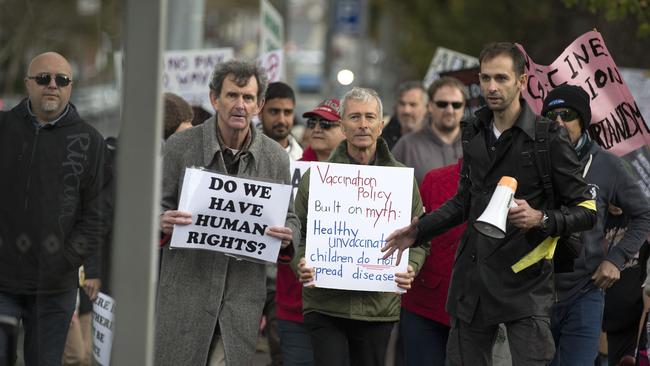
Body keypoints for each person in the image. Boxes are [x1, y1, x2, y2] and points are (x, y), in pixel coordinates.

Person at [382, 42, 597, 365]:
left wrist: (541, 218)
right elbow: (464, 201)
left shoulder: (548, 137)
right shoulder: (474, 130)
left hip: (527, 281)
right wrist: (418, 230)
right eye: (485, 78)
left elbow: (586, 210)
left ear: (521, 82)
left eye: (501, 78)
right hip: (473, 278)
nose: (491, 87)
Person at [155, 60, 300, 365]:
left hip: (240, 302)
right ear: (214, 99)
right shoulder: (180, 146)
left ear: (259, 104)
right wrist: (161, 221)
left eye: (248, 98)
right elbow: (156, 206)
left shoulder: (275, 158)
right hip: (186, 296)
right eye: (232, 95)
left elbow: (290, 218)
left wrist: (287, 237)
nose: (240, 105)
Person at [291, 87, 429, 366]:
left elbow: (420, 240)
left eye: (370, 117)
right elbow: (298, 232)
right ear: (342, 125)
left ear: (381, 125)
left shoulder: (402, 180)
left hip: (378, 308)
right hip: (324, 304)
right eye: (354, 117)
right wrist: (300, 262)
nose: (363, 124)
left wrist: (411, 266)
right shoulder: (317, 178)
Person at [0, 52, 113, 365]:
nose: (52, 85)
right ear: (28, 84)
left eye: (61, 80)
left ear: (70, 87)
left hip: (54, 288)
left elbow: (98, 213)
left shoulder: (90, 142)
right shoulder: (4, 128)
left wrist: (68, 258)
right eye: (43, 78)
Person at [540, 84, 650, 365]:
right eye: (551, 115)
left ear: (583, 120)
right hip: (534, 291)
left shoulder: (608, 165)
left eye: (567, 115)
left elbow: (644, 213)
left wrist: (616, 258)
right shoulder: (531, 159)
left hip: (584, 290)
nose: (559, 123)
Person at [275, 98, 345, 366]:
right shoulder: (288, 170)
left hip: (342, 308)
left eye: (327, 123)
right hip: (296, 305)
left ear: (346, 130)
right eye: (312, 122)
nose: (317, 128)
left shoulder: (366, 178)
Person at [398, 159, 466, 366]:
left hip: (477, 310)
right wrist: (410, 266)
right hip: (426, 305)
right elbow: (412, 235)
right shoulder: (435, 180)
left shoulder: (519, 185)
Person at [392, 76, 466, 185]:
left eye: (456, 105)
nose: (450, 110)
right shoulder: (407, 145)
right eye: (442, 104)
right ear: (430, 106)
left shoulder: (478, 144)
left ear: (463, 107)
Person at [259, 81, 303, 161]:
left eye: (287, 112)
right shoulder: (244, 154)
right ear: (260, 112)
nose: (281, 120)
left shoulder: (303, 158)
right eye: (274, 112)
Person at [381, 81, 428, 150]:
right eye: (402, 104)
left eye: (413, 105)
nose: (406, 111)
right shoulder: (382, 140)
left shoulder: (437, 137)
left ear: (427, 107)